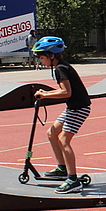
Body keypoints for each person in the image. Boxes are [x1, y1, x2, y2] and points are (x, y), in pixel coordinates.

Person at [31, 36, 91, 194]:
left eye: (42, 57)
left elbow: (66, 92)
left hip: (79, 108)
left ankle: (73, 180)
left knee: (64, 140)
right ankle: (62, 168)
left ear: (52, 56)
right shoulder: (61, 66)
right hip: (73, 107)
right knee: (52, 133)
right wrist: (46, 92)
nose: (40, 61)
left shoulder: (60, 69)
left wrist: (44, 95)